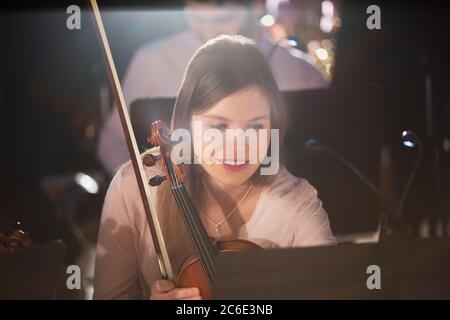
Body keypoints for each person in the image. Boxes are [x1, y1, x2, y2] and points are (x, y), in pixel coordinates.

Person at [94, 35, 336, 300]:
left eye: (255, 127)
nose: (238, 145)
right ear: (187, 123)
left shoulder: (296, 202)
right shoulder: (134, 186)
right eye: (219, 126)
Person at [97, 0, 328, 175]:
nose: (208, 34)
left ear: (256, 6)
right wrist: (157, 184)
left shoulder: (302, 73)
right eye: (196, 19)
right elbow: (112, 142)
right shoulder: (153, 60)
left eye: (222, 19)